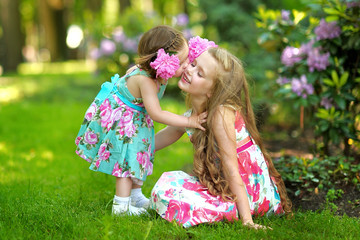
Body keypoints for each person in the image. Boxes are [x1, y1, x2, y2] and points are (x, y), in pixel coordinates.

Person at [150, 37, 292, 229]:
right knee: (167, 183)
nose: (189, 71)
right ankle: (217, 207)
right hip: (223, 187)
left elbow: (232, 169)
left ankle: (235, 212)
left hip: (247, 192)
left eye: (200, 73)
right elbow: (152, 144)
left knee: (171, 195)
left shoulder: (220, 114)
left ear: (212, 91)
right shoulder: (192, 117)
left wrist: (247, 221)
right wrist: (129, 147)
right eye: (193, 64)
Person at [75, 26, 207, 216]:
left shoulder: (158, 74)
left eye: (187, 59)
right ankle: (121, 206)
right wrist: (190, 121)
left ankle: (135, 196)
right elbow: (157, 114)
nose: (186, 65)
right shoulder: (145, 79)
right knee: (127, 158)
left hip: (135, 116)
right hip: (123, 120)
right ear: (160, 63)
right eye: (180, 62)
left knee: (139, 153)